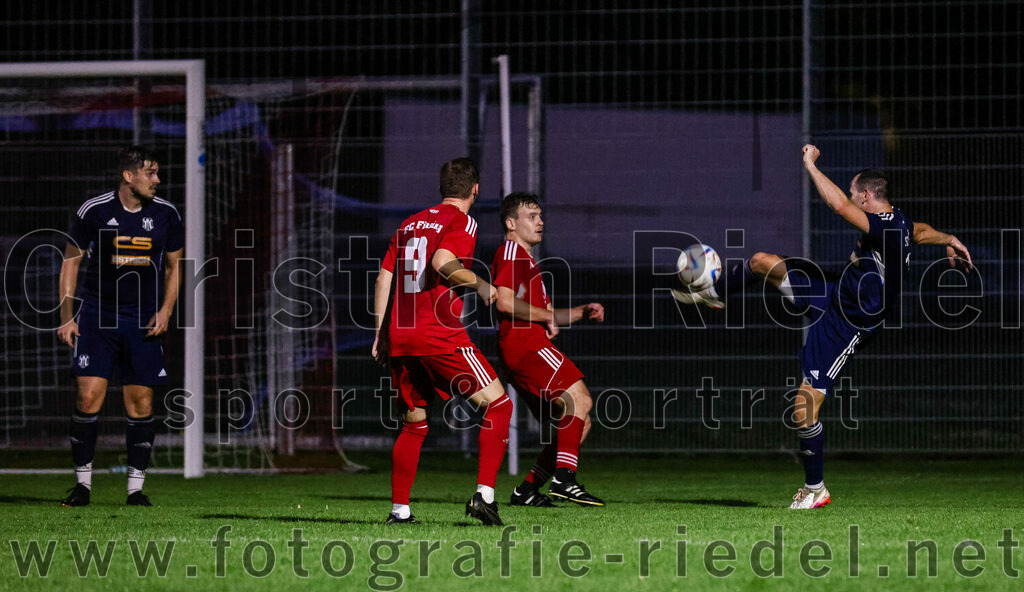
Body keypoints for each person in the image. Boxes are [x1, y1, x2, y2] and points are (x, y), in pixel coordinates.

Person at [677, 144, 972, 509]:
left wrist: (810, 165)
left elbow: (836, 205)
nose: (850, 197)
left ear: (866, 197)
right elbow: (923, 231)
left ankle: (815, 489)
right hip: (834, 291)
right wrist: (950, 239)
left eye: (854, 193)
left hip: (849, 323)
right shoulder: (901, 223)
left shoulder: (884, 225)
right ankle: (714, 293)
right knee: (760, 261)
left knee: (803, 406)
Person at [372, 157, 512, 526]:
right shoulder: (462, 220)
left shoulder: (408, 223)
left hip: (400, 335)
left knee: (413, 424)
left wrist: (380, 333)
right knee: (498, 407)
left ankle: (399, 512)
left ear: (442, 187)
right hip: (438, 332)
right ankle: (484, 496)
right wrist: (480, 283)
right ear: (475, 189)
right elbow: (441, 261)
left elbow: (384, 278)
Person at [57, 146, 184, 507]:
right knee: (87, 396)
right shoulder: (94, 211)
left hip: (143, 321)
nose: (157, 180)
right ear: (129, 176)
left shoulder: (167, 216)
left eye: (157, 173)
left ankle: (135, 491)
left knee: (141, 403)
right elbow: (71, 263)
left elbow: (176, 267)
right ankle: (82, 486)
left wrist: (166, 311)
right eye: (150, 173)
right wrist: (67, 316)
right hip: (97, 317)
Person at [491, 192, 607, 507]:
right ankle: (564, 480)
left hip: (527, 347)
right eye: (532, 216)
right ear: (511, 223)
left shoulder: (526, 260)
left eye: (541, 216)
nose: (540, 222)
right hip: (525, 346)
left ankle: (527, 490)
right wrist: (544, 316)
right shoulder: (511, 253)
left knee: (579, 421)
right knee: (579, 399)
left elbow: (545, 314)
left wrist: (581, 311)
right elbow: (504, 301)